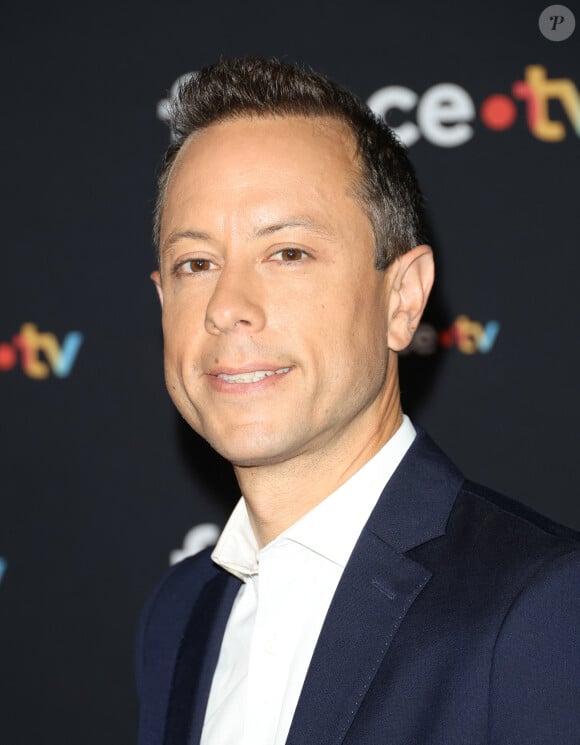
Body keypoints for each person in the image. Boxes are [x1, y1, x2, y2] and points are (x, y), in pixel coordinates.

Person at [136, 57, 580, 745]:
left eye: (287, 253)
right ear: (163, 300)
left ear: (402, 299)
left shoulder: (543, 608)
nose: (228, 308)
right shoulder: (179, 611)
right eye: (197, 264)